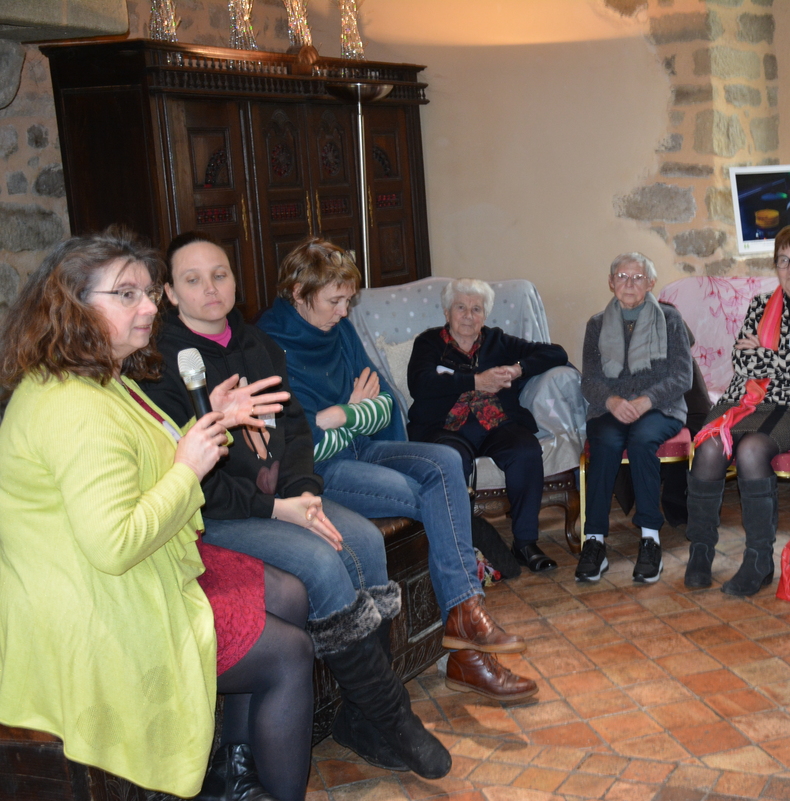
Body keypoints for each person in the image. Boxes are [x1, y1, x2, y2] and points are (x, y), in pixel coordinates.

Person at [0, 229, 313, 801]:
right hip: (90, 603)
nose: (149, 307)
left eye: (147, 292)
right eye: (126, 295)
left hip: (118, 568)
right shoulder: (72, 407)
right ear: (72, 306)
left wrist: (208, 423)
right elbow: (115, 543)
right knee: (291, 654)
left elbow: (147, 458)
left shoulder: (97, 377)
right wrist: (189, 469)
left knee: (288, 594)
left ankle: (233, 778)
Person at [140, 233, 453, 776]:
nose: (211, 288)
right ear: (168, 292)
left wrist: (305, 491)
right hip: (214, 514)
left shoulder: (256, 342)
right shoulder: (161, 364)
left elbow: (295, 428)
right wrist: (278, 511)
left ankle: (357, 717)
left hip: (282, 498)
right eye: (192, 279)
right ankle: (391, 716)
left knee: (362, 542)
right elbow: (191, 474)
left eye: (220, 274)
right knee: (319, 561)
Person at [253, 238, 536, 702]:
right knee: (439, 494)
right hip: (319, 471)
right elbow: (299, 438)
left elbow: (383, 402)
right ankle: (467, 642)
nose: (344, 313)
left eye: (348, 300)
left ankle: (464, 620)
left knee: (444, 460)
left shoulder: (337, 330)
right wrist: (345, 414)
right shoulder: (268, 343)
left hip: (361, 448)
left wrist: (340, 417)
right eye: (335, 301)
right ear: (300, 291)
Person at [686, 224, 790, 596]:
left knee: (752, 450)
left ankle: (758, 560)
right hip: (748, 398)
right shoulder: (761, 305)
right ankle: (700, 551)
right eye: (783, 260)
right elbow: (743, 363)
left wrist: (770, 358)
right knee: (710, 446)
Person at [406, 278, 570, 573]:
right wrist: (475, 381)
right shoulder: (428, 342)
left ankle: (525, 543)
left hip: (496, 424)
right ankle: (462, 545)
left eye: (476, 309)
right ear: (447, 312)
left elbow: (556, 353)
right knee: (451, 460)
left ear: (485, 315)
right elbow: (420, 384)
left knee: (525, 449)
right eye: (461, 307)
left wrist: (518, 368)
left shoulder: (498, 341)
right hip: (444, 427)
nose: (468, 315)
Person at [577, 252, 692, 583]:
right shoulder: (596, 324)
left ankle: (650, 539)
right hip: (609, 409)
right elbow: (590, 380)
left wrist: (646, 400)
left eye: (638, 277)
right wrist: (612, 401)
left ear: (651, 283)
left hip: (660, 408)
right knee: (605, 442)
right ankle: (594, 542)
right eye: (622, 277)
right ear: (611, 283)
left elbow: (682, 376)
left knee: (642, 440)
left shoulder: (670, 319)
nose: (629, 283)